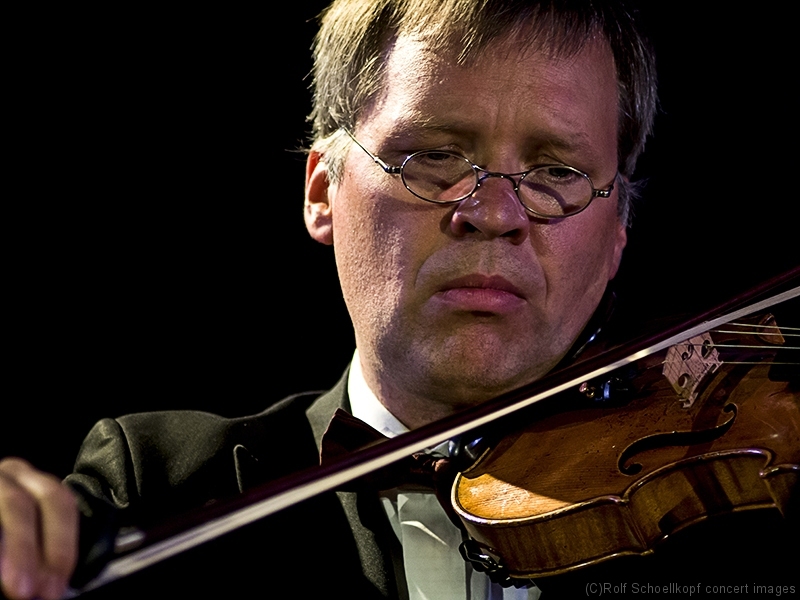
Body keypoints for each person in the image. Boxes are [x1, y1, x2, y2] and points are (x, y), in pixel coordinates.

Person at [0, 1, 794, 599]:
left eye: (556, 171)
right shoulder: (160, 489)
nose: (494, 213)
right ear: (323, 192)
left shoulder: (747, 520)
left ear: (618, 229)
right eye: (435, 155)